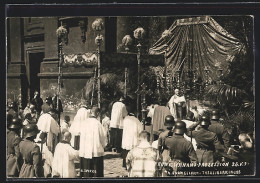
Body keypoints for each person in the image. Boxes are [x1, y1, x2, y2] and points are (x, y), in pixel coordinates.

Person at [79, 107, 107, 177]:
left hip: (85, 150)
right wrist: (103, 145)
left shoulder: (84, 123)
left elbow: (81, 136)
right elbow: (102, 137)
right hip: (95, 150)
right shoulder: (98, 123)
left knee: (86, 171)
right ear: (98, 113)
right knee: (96, 172)